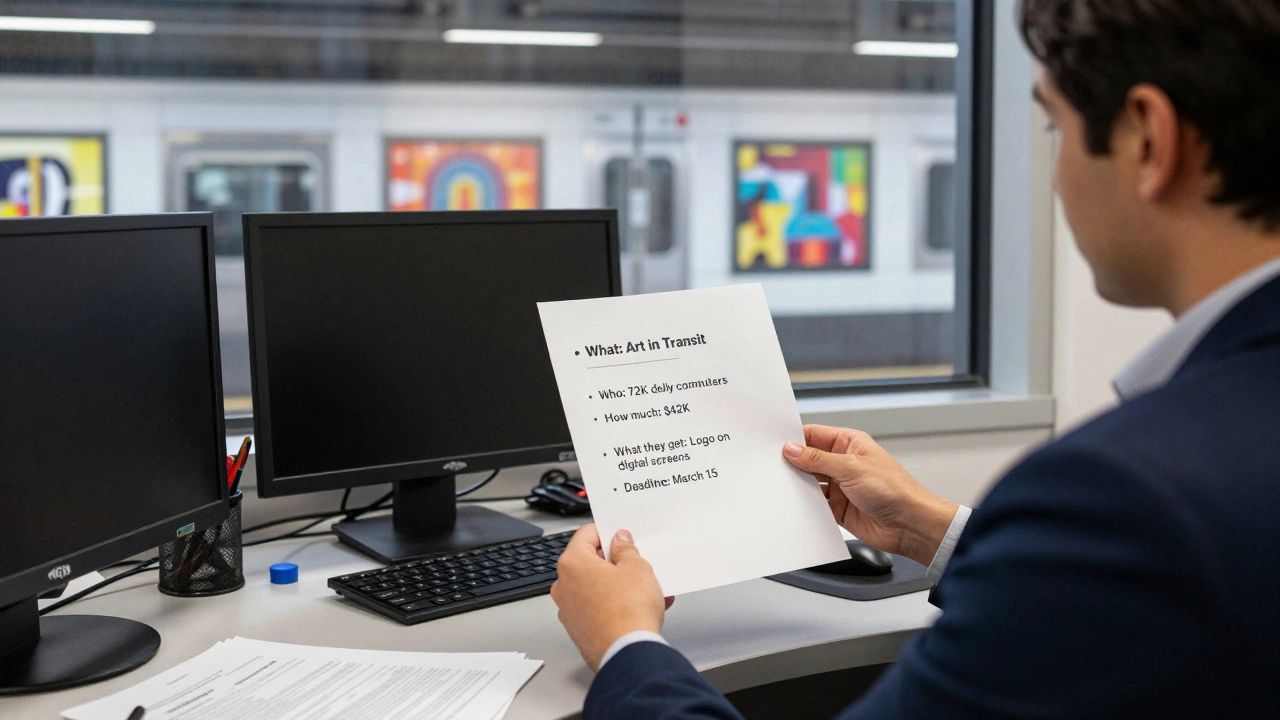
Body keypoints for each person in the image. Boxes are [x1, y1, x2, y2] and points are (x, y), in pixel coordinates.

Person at [549, 1, 1280, 717]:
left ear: (1149, 140)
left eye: (1054, 124)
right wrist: (930, 531)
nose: (1054, 177)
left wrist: (627, 645)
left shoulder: (1122, 496)